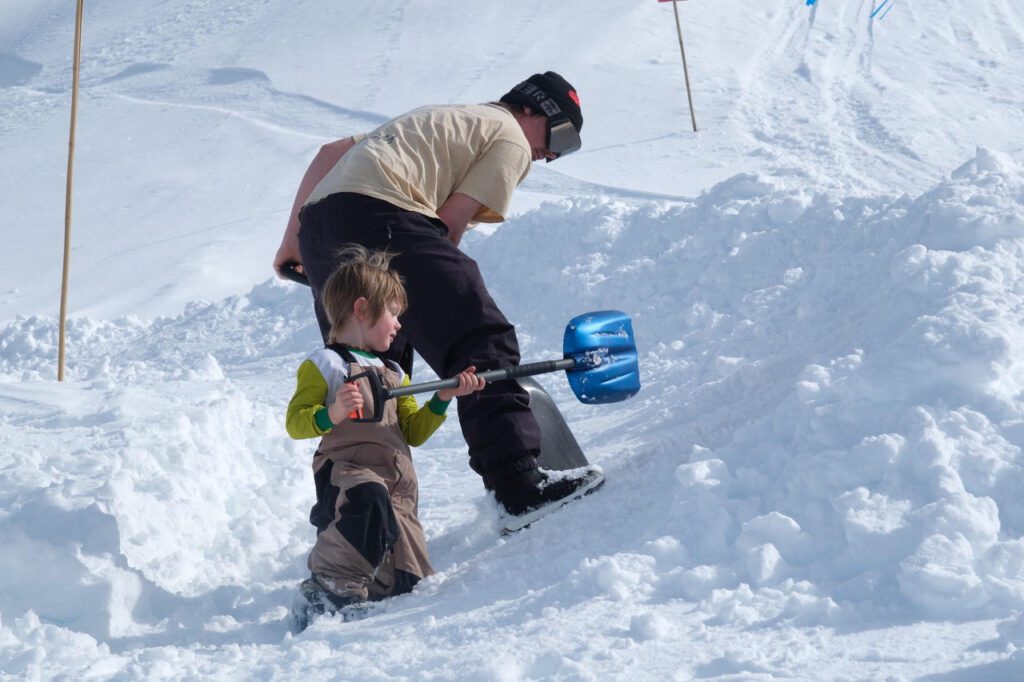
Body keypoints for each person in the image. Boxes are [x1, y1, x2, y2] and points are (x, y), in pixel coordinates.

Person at [274, 71, 602, 522]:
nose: (550, 155)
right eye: (561, 135)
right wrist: (446, 300)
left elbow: (331, 153)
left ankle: (355, 518)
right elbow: (448, 225)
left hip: (320, 228)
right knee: (477, 339)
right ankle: (519, 484)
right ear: (530, 108)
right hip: (383, 214)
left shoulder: (445, 117)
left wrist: (293, 242)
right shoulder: (509, 136)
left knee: (372, 372)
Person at [286, 246, 486, 612]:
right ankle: (326, 585)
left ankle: (359, 590)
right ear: (362, 309)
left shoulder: (395, 372)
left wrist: (442, 398)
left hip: (398, 492)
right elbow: (295, 422)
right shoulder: (326, 365)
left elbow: (413, 432)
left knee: (406, 582)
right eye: (393, 313)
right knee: (368, 498)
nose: (398, 325)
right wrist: (332, 412)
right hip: (348, 478)